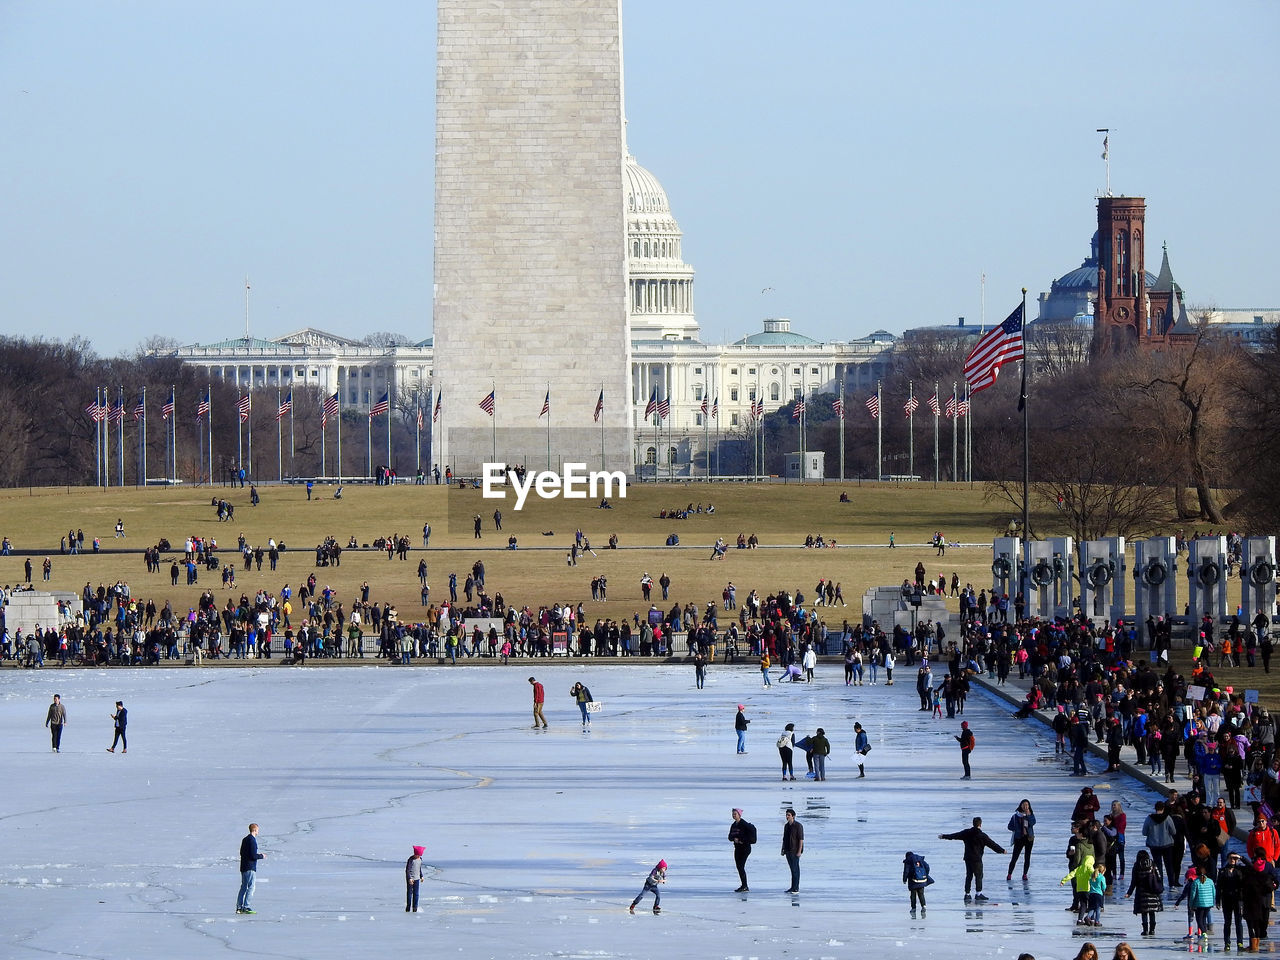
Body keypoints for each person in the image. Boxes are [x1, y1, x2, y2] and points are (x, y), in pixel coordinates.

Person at [938, 816, 1006, 902]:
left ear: (973, 823)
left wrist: (944, 836)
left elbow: (955, 835)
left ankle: (967, 894)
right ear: (980, 824)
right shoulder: (982, 836)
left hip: (968, 858)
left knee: (969, 876)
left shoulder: (966, 833)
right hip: (977, 859)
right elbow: (992, 844)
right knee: (979, 876)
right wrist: (1002, 850)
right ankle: (978, 894)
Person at [1126, 848, 1164, 937]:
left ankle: (1145, 930)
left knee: (1144, 913)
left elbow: (1134, 881)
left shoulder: (1137, 866)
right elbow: (1159, 877)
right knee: (1152, 912)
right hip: (1152, 892)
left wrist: (1129, 892)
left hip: (1142, 892)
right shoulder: (1152, 864)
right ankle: (1152, 930)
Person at [237, 823, 264, 914]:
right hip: (250, 867)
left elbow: (241, 853)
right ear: (255, 830)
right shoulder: (252, 840)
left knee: (244, 887)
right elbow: (253, 855)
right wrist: (261, 856)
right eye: (258, 830)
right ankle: (246, 906)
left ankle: (239, 907)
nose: (258, 832)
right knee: (251, 887)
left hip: (243, 867)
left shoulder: (244, 839)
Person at [1006, 798, 1036, 881]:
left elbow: (1033, 823)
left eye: (1027, 805)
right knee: (1015, 857)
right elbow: (1009, 826)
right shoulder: (1015, 816)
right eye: (1024, 805)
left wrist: (1028, 815)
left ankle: (1025, 874)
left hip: (1029, 838)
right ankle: (1009, 874)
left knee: (1027, 857)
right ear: (1021, 806)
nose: (1025, 806)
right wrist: (1017, 828)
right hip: (1019, 838)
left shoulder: (1030, 815)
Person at [728, 808, 756, 892]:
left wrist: (741, 840)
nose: (733, 815)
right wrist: (734, 839)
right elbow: (729, 837)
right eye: (733, 814)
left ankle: (745, 886)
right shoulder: (734, 825)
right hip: (737, 848)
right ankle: (744, 885)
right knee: (739, 867)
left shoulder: (744, 824)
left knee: (741, 866)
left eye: (735, 814)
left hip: (745, 848)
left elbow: (751, 837)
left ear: (739, 815)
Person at [902, 850, 933, 916]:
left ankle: (913, 908)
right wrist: (925, 874)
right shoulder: (920, 859)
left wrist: (904, 879)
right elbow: (927, 866)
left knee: (913, 895)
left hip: (913, 880)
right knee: (921, 894)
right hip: (922, 879)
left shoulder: (908, 860)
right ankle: (923, 906)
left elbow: (906, 871)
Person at [782, 809, 804, 893]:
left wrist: (799, 851)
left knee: (795, 869)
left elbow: (801, 839)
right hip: (788, 850)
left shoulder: (798, 826)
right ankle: (792, 887)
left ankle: (796, 888)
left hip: (795, 850)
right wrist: (783, 849)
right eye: (786, 815)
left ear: (793, 816)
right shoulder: (786, 826)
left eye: (788, 815)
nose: (787, 817)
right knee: (792, 869)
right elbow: (784, 838)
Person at [405, 844, 425, 912]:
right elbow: (407, 870)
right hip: (411, 879)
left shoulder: (420, 859)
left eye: (420, 855)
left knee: (416, 894)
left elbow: (419, 869)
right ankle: (408, 907)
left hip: (417, 879)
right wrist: (409, 878)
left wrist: (421, 876)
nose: (419, 856)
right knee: (409, 893)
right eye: (418, 855)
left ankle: (415, 908)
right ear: (415, 854)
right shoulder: (411, 860)